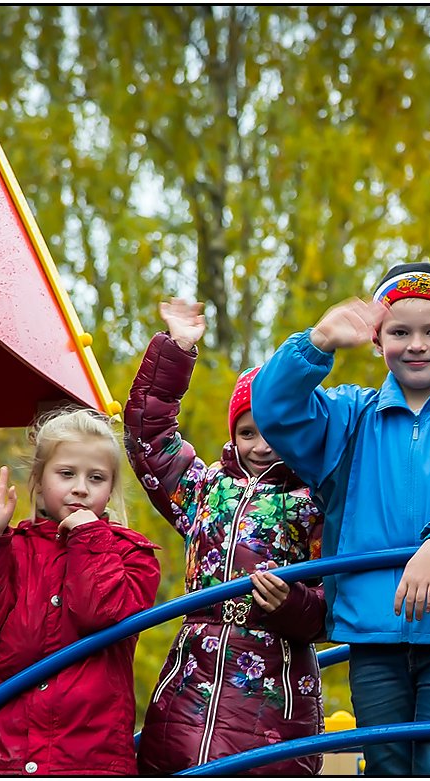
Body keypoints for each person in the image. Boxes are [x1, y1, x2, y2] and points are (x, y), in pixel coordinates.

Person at [250, 262, 430, 776]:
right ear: (378, 342)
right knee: (386, 765)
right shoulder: (349, 417)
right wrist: (318, 342)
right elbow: (274, 410)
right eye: (400, 332)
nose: (417, 344)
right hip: (373, 629)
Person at [124, 299, 326, 776]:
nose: (261, 446)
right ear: (233, 434)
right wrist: (176, 350)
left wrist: (291, 603)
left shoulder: (316, 500)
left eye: (275, 431)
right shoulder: (204, 489)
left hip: (275, 681)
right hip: (192, 674)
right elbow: (147, 439)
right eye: (248, 432)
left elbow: (332, 604)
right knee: (174, 762)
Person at [0, 408, 161, 776]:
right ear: (39, 478)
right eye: (66, 474)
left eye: (96, 478)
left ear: (111, 488)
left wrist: (89, 536)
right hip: (5, 754)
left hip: (90, 758)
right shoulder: (15, 548)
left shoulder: (132, 555)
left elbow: (98, 612)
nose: (80, 487)